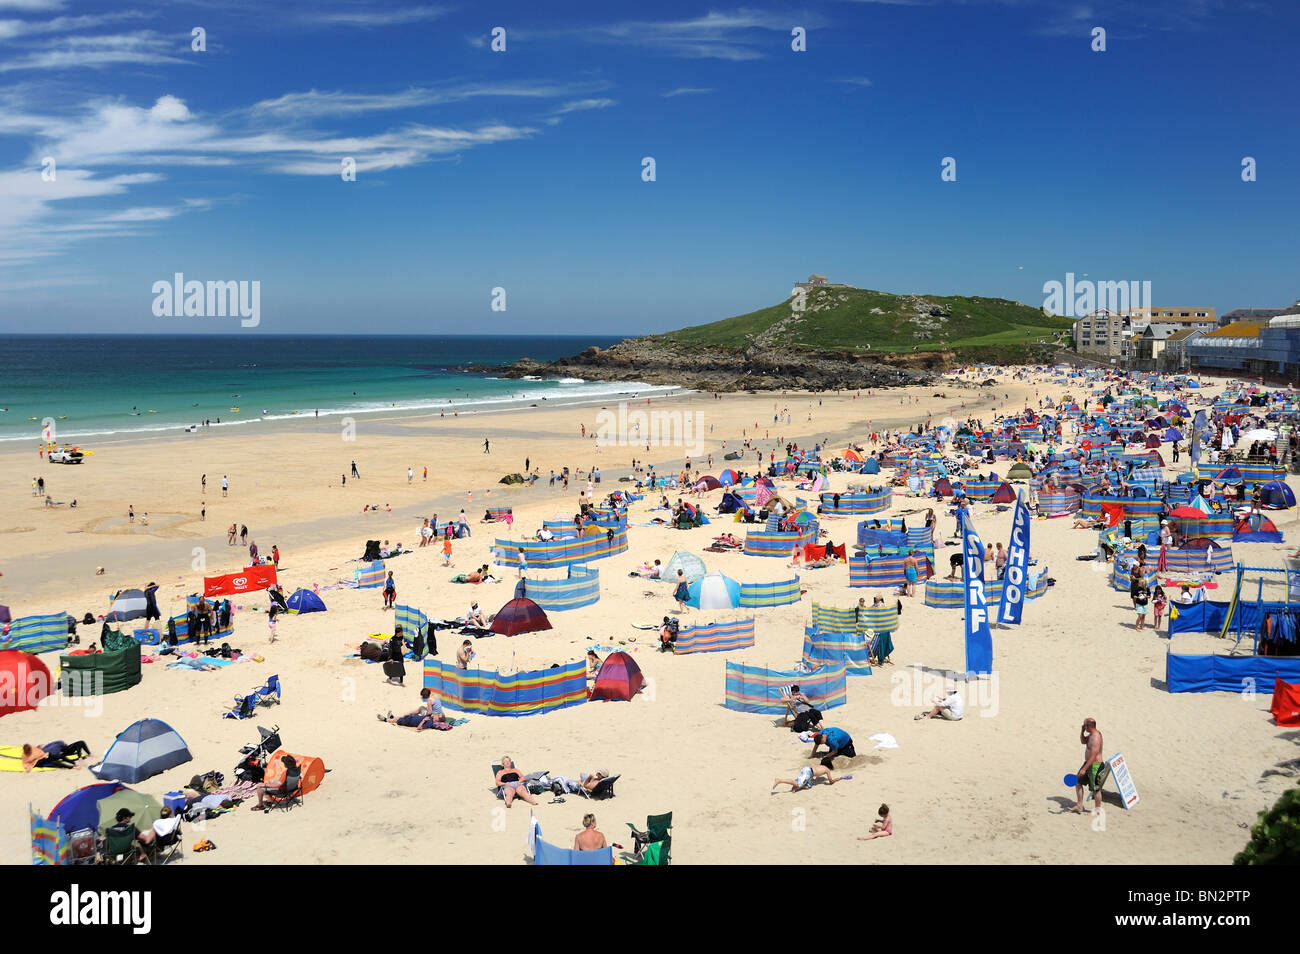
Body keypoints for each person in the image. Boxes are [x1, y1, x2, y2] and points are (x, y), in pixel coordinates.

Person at [1072, 718, 1107, 817]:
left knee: (1095, 789)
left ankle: (1097, 810)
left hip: (1095, 766)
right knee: (1077, 782)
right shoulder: (1091, 734)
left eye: (1084, 725)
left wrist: (1084, 768)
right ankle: (1079, 805)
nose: (1083, 726)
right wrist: (1082, 731)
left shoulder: (1095, 737)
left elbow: (1094, 754)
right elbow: (1083, 741)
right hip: (1088, 763)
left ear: (1089, 726)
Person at [380, 688, 445, 730]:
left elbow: (430, 712)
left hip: (433, 715)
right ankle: (394, 717)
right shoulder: (435, 696)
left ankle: (393, 718)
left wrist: (425, 718)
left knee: (419, 709)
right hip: (439, 713)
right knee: (420, 709)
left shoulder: (429, 701)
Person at [21, 740, 91, 771]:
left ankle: (74, 763)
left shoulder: (33, 748)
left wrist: (44, 755)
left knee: (59, 756)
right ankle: (72, 767)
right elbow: (25, 763)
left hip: (44, 756)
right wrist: (28, 768)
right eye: (29, 751)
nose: (31, 751)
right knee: (54, 762)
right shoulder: (24, 756)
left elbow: (40, 752)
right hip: (38, 762)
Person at [771, 764, 846, 792]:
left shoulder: (820, 765)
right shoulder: (827, 770)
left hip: (807, 770)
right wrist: (837, 779)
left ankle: (795, 788)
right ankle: (780, 780)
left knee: (808, 786)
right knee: (797, 784)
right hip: (809, 773)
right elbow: (831, 782)